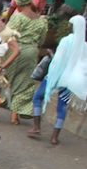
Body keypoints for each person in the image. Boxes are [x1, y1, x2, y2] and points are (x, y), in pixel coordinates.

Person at [30, 15, 87, 145]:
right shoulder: (84, 45)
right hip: (71, 80)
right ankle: (54, 137)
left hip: (57, 76)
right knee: (62, 107)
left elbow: (57, 61)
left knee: (37, 97)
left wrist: (51, 73)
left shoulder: (66, 41)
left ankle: (36, 127)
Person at [5, 0, 48, 124]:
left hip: (15, 50)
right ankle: (14, 115)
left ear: (19, 5)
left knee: (4, 78)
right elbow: (41, 41)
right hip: (32, 52)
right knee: (23, 82)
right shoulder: (41, 21)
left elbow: (7, 34)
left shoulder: (18, 17)